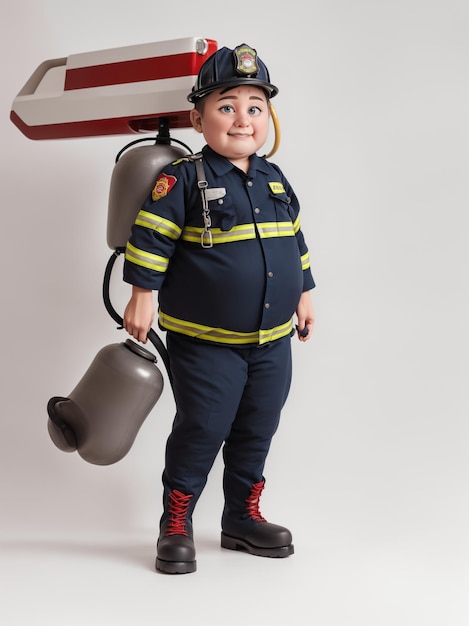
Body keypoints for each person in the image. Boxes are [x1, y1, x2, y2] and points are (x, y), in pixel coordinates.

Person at [122, 43, 315, 574]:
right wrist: (141, 294)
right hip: (206, 343)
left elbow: (292, 239)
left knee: (258, 425)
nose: (242, 119)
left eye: (255, 107)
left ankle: (241, 518)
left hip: (271, 342)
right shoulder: (184, 179)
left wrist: (304, 292)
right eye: (227, 105)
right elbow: (150, 237)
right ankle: (176, 521)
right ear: (198, 117)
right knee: (204, 425)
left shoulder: (275, 179)